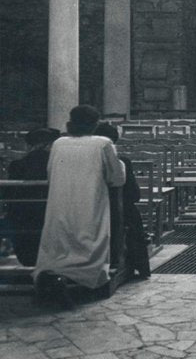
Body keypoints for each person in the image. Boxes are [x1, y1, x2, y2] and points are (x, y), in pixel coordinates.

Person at [34, 105, 126, 307]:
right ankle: (84, 277)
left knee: (62, 239)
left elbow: (50, 173)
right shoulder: (103, 143)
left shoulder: (58, 143)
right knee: (88, 236)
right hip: (89, 200)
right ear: (94, 125)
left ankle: (55, 275)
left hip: (61, 201)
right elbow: (117, 179)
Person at [94, 123, 151, 279]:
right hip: (116, 212)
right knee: (131, 216)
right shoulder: (122, 161)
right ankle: (138, 264)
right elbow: (134, 195)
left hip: (90, 211)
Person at [5, 128, 60, 266]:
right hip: (52, 214)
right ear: (50, 145)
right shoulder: (58, 165)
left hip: (23, 217)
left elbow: (10, 194)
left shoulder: (17, 165)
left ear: (28, 145)